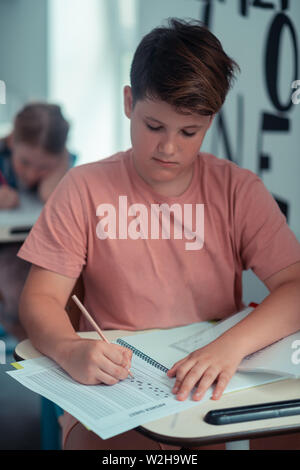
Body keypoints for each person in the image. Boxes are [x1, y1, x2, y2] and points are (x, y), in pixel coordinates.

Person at [17, 18, 300, 450]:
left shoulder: (238, 190)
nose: (169, 148)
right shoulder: (85, 188)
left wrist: (230, 348)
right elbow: (40, 299)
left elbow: (295, 286)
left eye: (189, 132)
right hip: (116, 388)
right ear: (129, 102)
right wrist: (70, 349)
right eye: (154, 127)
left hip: (203, 387)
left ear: (211, 120)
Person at [0, 103, 76, 340]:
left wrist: (59, 169)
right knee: (15, 284)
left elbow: (51, 197)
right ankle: (21, 337)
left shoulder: (68, 165)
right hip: (9, 247)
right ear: (12, 141)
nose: (32, 174)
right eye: (24, 163)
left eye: (44, 168)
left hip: (44, 248)